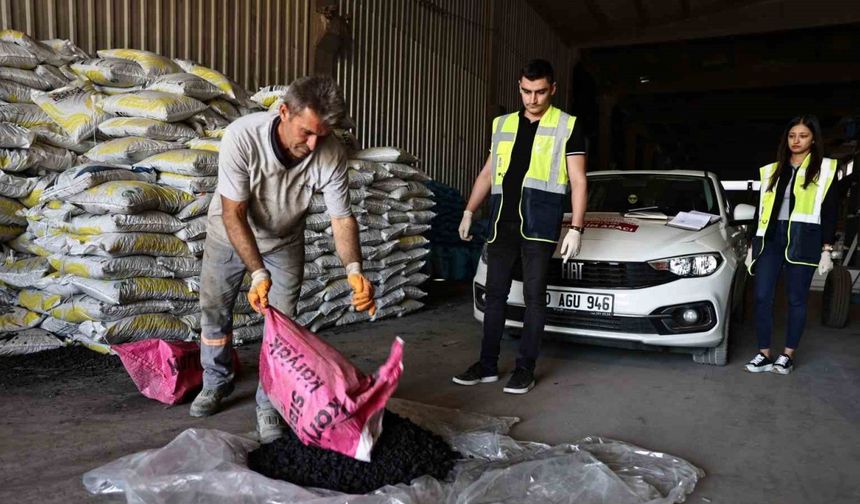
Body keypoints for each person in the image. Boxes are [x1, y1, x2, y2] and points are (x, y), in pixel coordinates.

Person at [189, 76, 376, 443]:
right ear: (283, 111)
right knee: (214, 310)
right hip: (229, 234)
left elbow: (341, 218)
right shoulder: (243, 137)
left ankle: (269, 403)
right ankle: (216, 381)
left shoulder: (330, 151)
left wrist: (354, 270)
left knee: (283, 325)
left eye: (321, 135)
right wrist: (257, 272)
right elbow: (233, 214)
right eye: (306, 132)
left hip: (286, 241)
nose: (312, 144)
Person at [453, 59, 587, 394]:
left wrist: (577, 227)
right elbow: (487, 173)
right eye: (527, 91)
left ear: (552, 89)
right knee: (495, 294)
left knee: (534, 298)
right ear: (519, 87)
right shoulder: (502, 124)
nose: (533, 99)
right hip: (501, 222)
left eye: (540, 92)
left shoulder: (567, 125)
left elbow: (578, 180)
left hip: (540, 225)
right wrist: (470, 210)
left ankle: (525, 368)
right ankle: (486, 364)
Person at [744, 115, 838, 375]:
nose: (796, 141)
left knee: (796, 299)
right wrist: (753, 243)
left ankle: (787, 355)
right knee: (762, 297)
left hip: (804, 239)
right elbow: (760, 209)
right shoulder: (772, 170)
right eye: (792, 136)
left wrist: (827, 249)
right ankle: (763, 353)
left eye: (803, 136)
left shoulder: (825, 170)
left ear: (813, 139)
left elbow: (830, 211)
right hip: (770, 240)